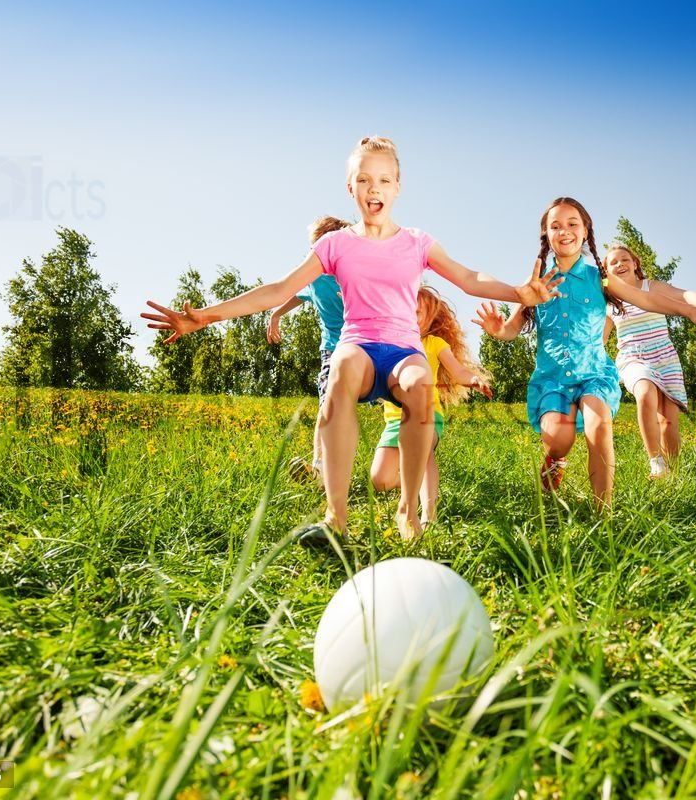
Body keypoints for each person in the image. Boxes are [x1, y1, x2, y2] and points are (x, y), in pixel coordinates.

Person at [143, 136, 561, 546]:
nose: (373, 188)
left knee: (420, 385)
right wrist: (206, 316)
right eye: (363, 180)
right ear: (350, 188)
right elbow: (279, 288)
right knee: (341, 369)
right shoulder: (335, 244)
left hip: (402, 350)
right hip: (358, 345)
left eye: (383, 180)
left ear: (398, 186)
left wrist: (517, 293)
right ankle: (335, 518)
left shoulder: (417, 243)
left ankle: (408, 511)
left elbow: (470, 279)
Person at [473, 197, 696, 506]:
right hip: (553, 378)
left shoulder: (602, 280)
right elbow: (513, 328)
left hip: (593, 373)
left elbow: (645, 299)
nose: (564, 231)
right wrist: (497, 329)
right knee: (559, 439)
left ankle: (602, 513)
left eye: (572, 224)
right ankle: (556, 460)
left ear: (585, 232)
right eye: (555, 226)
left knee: (599, 427)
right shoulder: (538, 283)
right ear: (546, 234)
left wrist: (686, 309)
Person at [370, 286, 492, 526]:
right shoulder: (389, 343)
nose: (408, 317)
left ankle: (429, 515)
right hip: (395, 421)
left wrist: (473, 379)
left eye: (416, 313)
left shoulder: (435, 343)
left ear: (430, 319)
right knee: (380, 480)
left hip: (427, 414)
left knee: (422, 449)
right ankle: (408, 480)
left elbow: (458, 371)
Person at [603, 245, 696, 478]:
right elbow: (602, 337)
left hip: (665, 357)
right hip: (633, 357)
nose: (620, 264)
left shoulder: (652, 287)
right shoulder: (610, 303)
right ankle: (655, 461)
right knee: (645, 391)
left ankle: (672, 473)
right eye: (613, 262)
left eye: (625, 259)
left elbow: (685, 295)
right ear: (606, 271)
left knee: (668, 422)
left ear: (635, 263)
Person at [266, 215, 350, 482]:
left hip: (363, 346)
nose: (314, 251)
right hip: (332, 350)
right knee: (327, 406)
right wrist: (276, 315)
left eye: (319, 244)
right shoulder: (313, 276)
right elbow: (296, 295)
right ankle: (318, 469)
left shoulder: (351, 272)